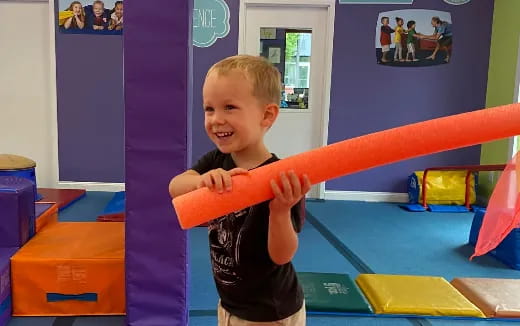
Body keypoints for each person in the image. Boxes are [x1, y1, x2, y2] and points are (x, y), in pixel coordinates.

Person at [169, 55, 310, 325]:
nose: (216, 119)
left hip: (271, 312)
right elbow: (175, 187)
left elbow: (282, 255)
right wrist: (200, 182)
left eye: (230, 107)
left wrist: (279, 211)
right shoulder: (216, 162)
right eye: (209, 109)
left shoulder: (281, 178)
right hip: (230, 303)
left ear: (266, 115)